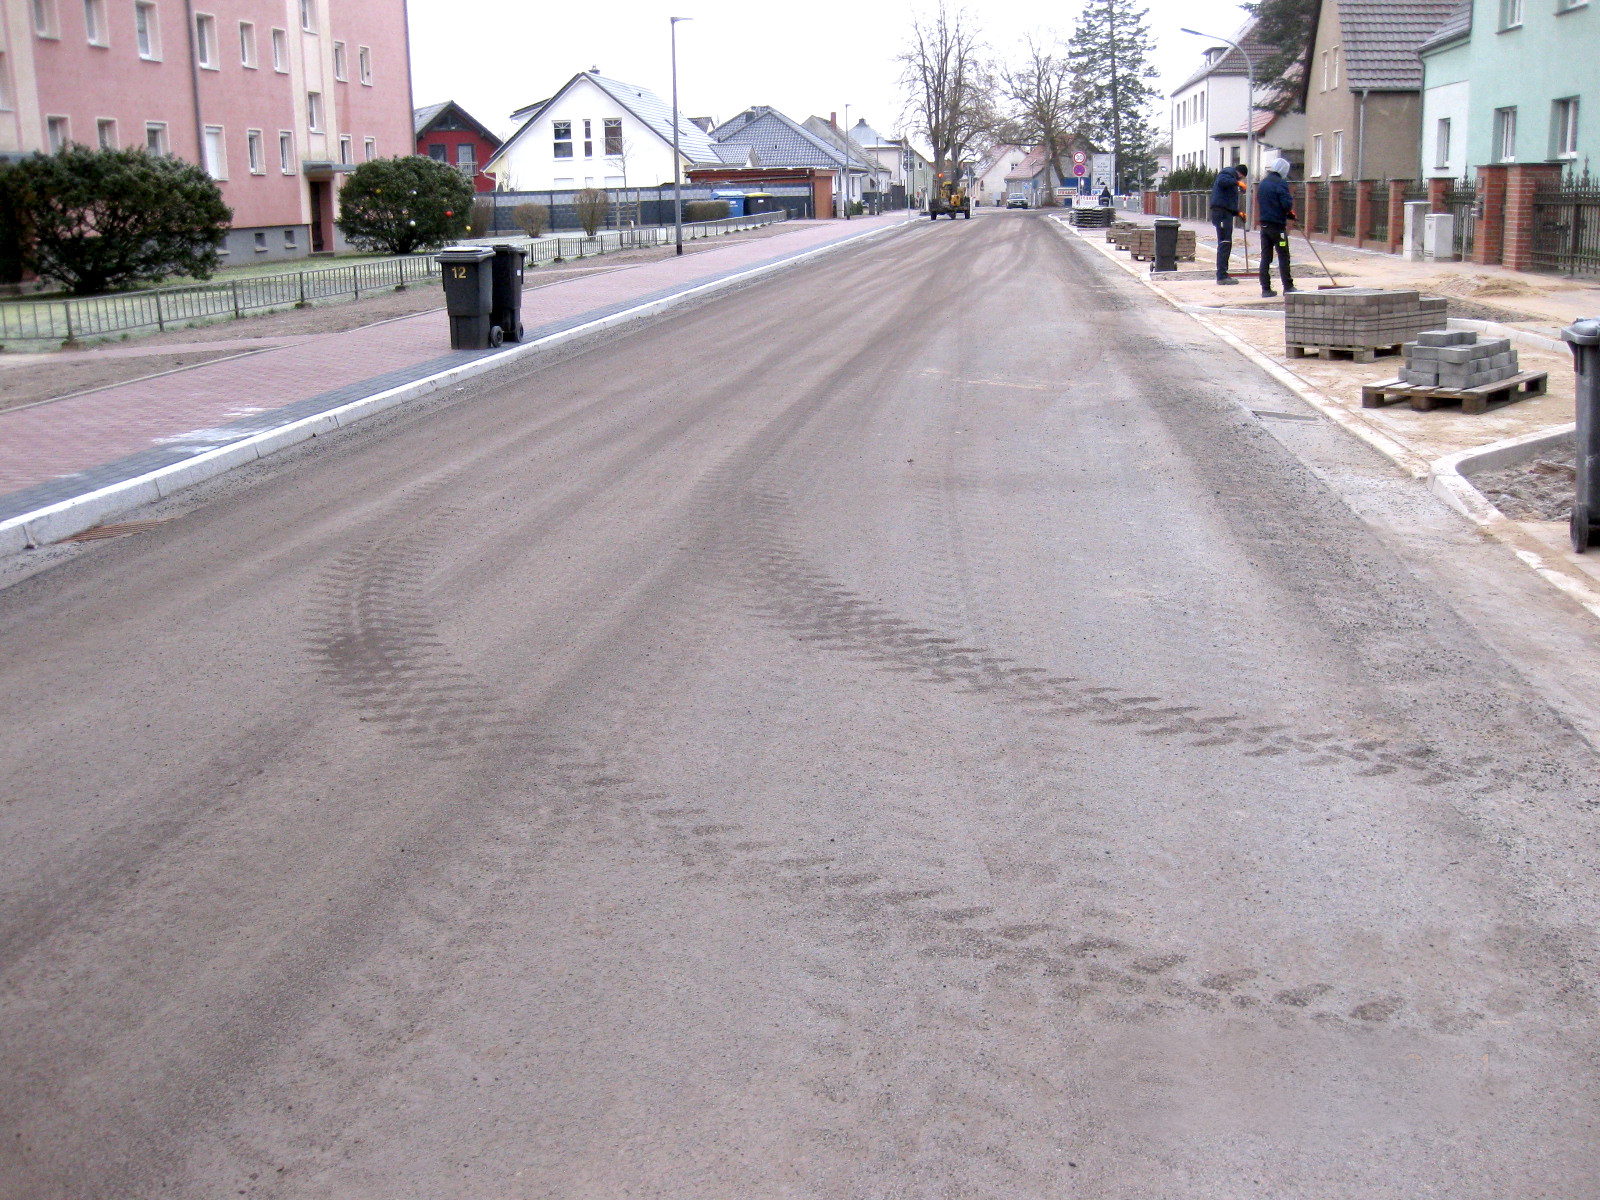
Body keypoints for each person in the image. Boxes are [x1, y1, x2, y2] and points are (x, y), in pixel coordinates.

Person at [1257, 157, 1298, 297]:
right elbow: (1286, 203)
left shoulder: (1263, 183)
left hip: (1264, 226)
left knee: (1266, 257)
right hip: (1278, 228)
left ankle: (1265, 289)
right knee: (1283, 255)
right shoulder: (1280, 183)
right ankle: (1288, 286)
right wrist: (1289, 213)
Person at [1209, 162, 1248, 285]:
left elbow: (1227, 202)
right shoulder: (1227, 173)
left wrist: (1238, 213)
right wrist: (1237, 183)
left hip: (1225, 214)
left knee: (1226, 243)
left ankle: (1224, 273)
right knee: (1224, 243)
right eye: (1241, 178)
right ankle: (1221, 276)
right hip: (1221, 215)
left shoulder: (1230, 179)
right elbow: (1222, 182)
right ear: (1241, 174)